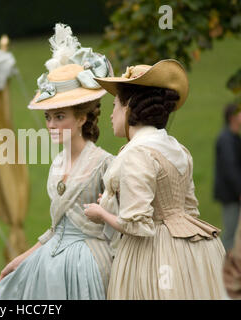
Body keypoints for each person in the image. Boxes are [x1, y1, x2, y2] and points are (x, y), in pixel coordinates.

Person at [84, 59, 226, 299]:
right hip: (194, 251)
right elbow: (188, 209)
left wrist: (101, 213)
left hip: (153, 256)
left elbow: (137, 225)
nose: (111, 114)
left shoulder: (137, 153)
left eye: (115, 104)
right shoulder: (177, 148)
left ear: (128, 106)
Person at [0, 24, 115, 300]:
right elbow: (56, 229)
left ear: (82, 118)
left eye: (59, 117)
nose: (50, 124)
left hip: (87, 266)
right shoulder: (57, 163)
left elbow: (119, 228)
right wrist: (22, 258)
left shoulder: (106, 164)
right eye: (48, 117)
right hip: (51, 262)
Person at [214, 103, 241, 250]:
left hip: (235, 194)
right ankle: (222, 269)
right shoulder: (226, 139)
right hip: (231, 195)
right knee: (230, 235)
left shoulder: (234, 138)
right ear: (232, 118)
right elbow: (230, 168)